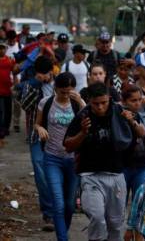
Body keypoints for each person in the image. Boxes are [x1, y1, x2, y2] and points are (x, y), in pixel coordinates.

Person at [63, 82, 131, 241]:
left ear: (109, 98)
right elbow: (67, 146)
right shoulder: (83, 116)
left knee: (115, 223)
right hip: (90, 176)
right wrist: (83, 132)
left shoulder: (120, 112)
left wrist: (132, 122)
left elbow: (140, 135)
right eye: (96, 104)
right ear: (89, 100)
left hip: (116, 175)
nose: (100, 107)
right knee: (97, 217)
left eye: (104, 103)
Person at [34, 72, 84, 241]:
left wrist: (81, 101)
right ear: (55, 88)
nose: (65, 95)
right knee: (58, 202)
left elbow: (90, 121)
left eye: (69, 91)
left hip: (72, 160)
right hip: (51, 158)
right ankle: (63, 238)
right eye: (62, 91)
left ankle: (63, 230)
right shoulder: (46, 102)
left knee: (69, 205)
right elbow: (37, 122)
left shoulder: (77, 104)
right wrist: (39, 128)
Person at [19, 55, 54, 228]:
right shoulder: (30, 85)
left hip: (56, 138)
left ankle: (61, 206)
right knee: (41, 174)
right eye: (42, 74)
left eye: (47, 73)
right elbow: (25, 105)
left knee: (56, 174)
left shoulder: (57, 86)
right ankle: (48, 213)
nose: (46, 77)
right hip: (36, 137)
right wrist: (36, 83)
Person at [0, 42, 16, 147]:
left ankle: (6, 129)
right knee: (1, 111)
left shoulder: (10, 60)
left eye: (3, 48)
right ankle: (1, 131)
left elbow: (15, 71)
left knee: (9, 110)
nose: (1, 50)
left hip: (8, 90)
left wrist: (15, 83)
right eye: (0, 48)